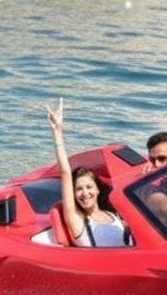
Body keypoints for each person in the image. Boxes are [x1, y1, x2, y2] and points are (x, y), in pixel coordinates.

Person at [45, 99, 131, 247]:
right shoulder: (76, 220)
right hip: (99, 262)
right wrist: (57, 132)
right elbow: (65, 173)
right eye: (79, 189)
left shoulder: (114, 216)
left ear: (98, 189)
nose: (85, 193)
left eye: (89, 187)